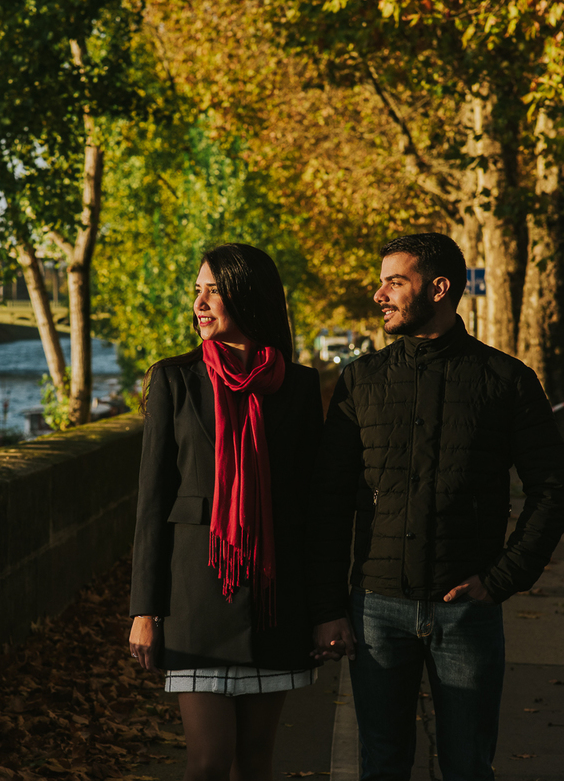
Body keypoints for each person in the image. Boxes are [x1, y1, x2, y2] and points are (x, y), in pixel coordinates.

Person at [308, 233, 564, 781]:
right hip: (376, 609)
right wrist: (328, 607)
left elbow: (553, 488)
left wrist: (500, 579)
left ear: (439, 287)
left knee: (468, 767)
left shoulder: (506, 381)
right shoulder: (361, 381)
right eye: (381, 281)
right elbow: (330, 499)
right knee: (381, 764)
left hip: (468, 613)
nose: (379, 293)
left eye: (394, 282)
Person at [129, 243, 324, 781]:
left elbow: (314, 509)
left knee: (255, 762)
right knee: (208, 762)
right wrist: (144, 610)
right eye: (197, 290)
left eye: (213, 289)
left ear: (249, 293)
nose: (200, 301)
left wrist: (326, 607)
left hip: (275, 600)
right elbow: (151, 503)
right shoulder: (174, 380)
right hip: (195, 601)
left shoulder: (301, 386)